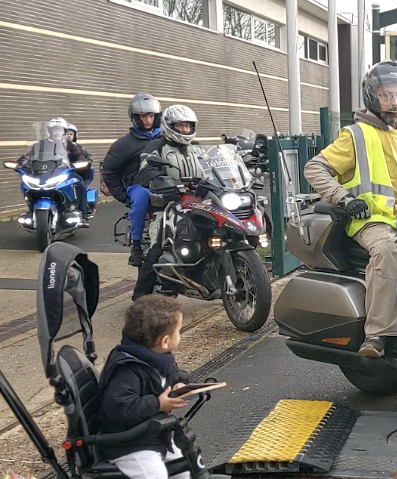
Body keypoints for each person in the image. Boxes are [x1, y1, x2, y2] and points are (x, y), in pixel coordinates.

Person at [304, 60, 397, 357]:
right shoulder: (356, 134)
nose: (394, 102)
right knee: (388, 251)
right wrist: (343, 198)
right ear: (373, 96)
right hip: (372, 220)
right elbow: (314, 168)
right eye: (387, 95)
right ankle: (377, 335)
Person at [98, 295, 191, 479]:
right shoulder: (127, 369)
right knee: (154, 475)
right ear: (165, 341)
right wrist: (157, 404)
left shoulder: (158, 357)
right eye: (178, 332)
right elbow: (120, 407)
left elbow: (173, 373)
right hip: (130, 443)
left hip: (153, 434)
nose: (179, 336)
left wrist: (180, 382)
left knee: (183, 467)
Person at [132, 105, 205, 301]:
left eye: (188, 126)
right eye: (180, 126)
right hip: (166, 204)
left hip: (196, 202)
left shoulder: (197, 147)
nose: (185, 130)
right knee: (159, 244)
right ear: (169, 126)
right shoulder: (156, 146)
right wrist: (160, 180)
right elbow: (145, 170)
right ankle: (140, 296)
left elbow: (212, 165)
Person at [102, 93, 163, 267]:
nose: (148, 120)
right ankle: (136, 246)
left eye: (151, 116)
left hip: (165, 183)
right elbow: (109, 171)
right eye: (144, 116)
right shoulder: (124, 144)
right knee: (142, 197)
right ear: (136, 118)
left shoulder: (167, 138)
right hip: (139, 185)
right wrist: (124, 196)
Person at [19, 117, 92, 222]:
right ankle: (31, 210)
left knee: (79, 183)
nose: (57, 132)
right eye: (54, 130)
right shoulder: (40, 144)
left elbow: (78, 156)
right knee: (26, 185)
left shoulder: (70, 144)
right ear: (50, 131)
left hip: (64, 172)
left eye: (59, 130)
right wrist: (20, 163)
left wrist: (81, 163)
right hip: (43, 173)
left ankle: (83, 213)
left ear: (64, 131)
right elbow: (28, 156)